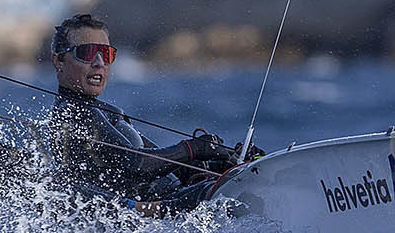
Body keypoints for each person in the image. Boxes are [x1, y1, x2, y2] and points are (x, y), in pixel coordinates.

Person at [45, 12, 250, 207]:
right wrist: (193, 149)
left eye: (106, 54)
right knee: (227, 193)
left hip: (176, 197)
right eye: (87, 53)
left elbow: (157, 160)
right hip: (154, 213)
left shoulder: (105, 111)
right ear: (58, 61)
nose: (99, 63)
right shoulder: (72, 113)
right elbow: (137, 165)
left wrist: (221, 160)